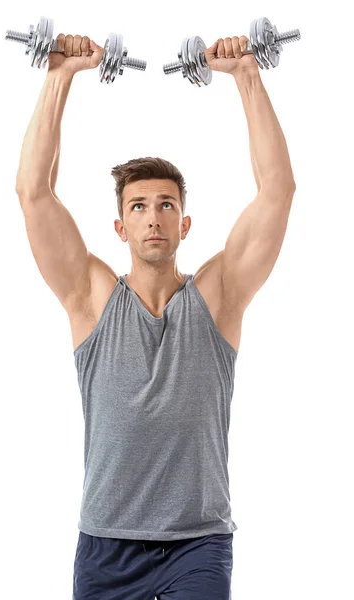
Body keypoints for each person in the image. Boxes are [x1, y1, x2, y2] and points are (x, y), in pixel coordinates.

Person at [15, 31, 296, 600]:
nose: (153, 218)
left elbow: (277, 192)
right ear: (120, 227)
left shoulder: (219, 298)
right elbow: (34, 194)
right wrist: (60, 76)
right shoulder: (90, 300)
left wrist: (246, 75)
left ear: (184, 222)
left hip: (198, 544)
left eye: (166, 204)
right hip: (106, 546)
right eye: (138, 206)